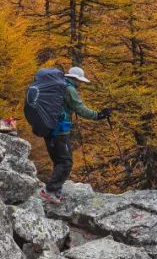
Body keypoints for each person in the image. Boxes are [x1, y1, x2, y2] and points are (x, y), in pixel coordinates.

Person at [41, 65, 110, 204]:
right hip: (60, 131)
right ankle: (49, 191)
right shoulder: (69, 89)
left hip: (48, 128)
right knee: (66, 162)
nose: (80, 84)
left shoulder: (58, 86)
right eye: (80, 81)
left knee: (59, 161)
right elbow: (80, 108)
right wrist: (98, 115)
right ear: (76, 79)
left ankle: (56, 191)